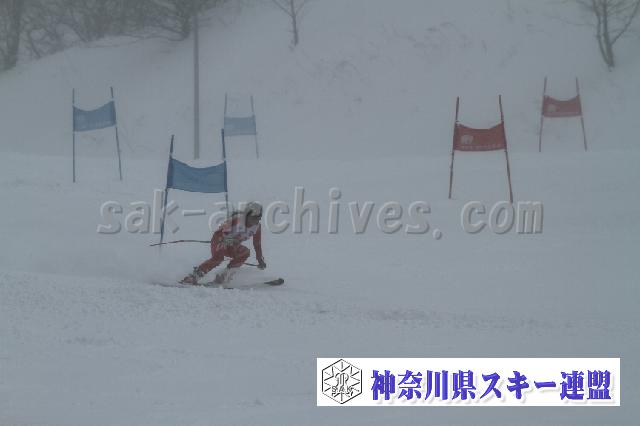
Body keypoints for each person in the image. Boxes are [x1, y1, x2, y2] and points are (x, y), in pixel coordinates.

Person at [180, 201, 266, 285]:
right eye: (254, 217)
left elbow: (257, 244)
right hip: (220, 240)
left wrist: (260, 259)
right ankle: (194, 276)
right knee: (218, 258)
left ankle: (224, 276)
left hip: (232, 245)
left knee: (245, 253)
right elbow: (222, 234)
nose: (257, 219)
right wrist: (230, 240)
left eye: (259, 217)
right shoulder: (236, 220)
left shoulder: (257, 227)